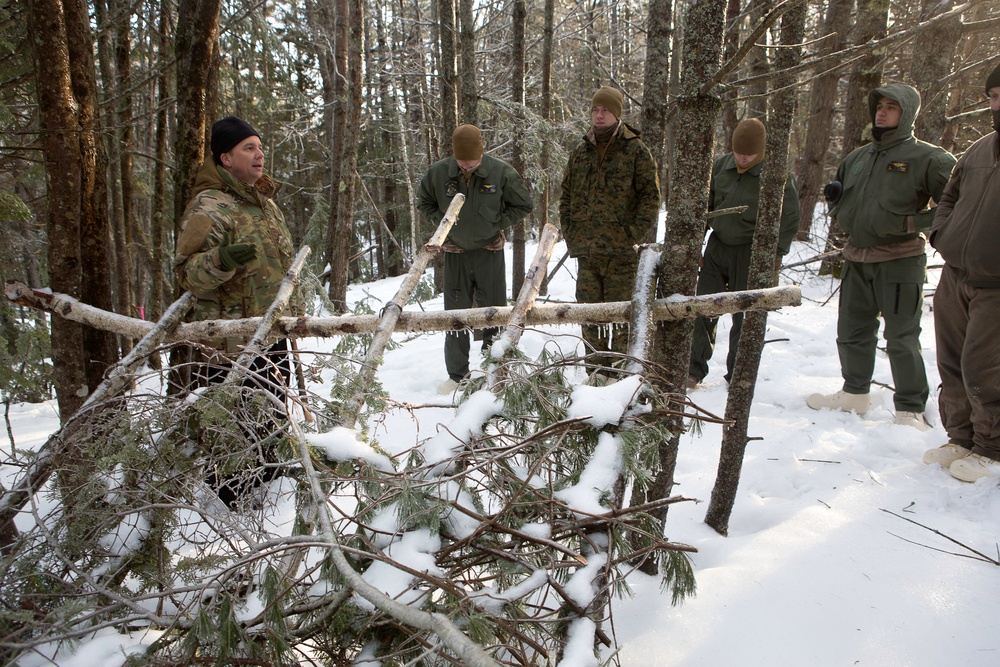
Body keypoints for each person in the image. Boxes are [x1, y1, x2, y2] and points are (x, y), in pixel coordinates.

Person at [807, 84, 956, 430]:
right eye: (879, 106)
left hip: (900, 259)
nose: (882, 112)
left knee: (901, 337)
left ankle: (909, 407)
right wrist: (839, 208)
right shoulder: (858, 157)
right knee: (851, 330)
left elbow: (957, 205)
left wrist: (911, 222)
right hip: (857, 257)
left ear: (907, 114)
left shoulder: (928, 158)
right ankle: (855, 392)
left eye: (892, 107)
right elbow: (839, 192)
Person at [174, 115, 302, 507]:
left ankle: (273, 502)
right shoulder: (209, 205)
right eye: (249, 148)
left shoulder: (265, 203)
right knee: (236, 429)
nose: (259, 154)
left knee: (273, 421)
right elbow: (186, 274)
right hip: (231, 344)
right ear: (225, 158)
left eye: (260, 147)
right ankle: (231, 510)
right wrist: (222, 259)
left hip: (272, 336)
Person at [922, 63, 1000, 481]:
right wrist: (941, 234)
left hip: (996, 285)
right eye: (993, 96)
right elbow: (949, 196)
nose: (997, 104)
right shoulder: (979, 149)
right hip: (956, 275)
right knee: (951, 362)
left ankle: (992, 449)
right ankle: (961, 438)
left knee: (983, 367)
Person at [417, 124, 533, 395]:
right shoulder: (439, 173)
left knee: (494, 311)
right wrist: (444, 223)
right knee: (455, 315)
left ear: (481, 152)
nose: (466, 163)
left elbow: (523, 205)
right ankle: (457, 375)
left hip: (489, 252)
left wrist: (496, 224)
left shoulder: (501, 172)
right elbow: (424, 203)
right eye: (461, 159)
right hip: (455, 253)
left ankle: (495, 367)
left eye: (471, 159)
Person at [558, 86, 660, 384]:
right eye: (594, 110)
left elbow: (650, 198)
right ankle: (597, 373)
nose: (599, 114)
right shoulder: (580, 152)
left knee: (621, 317)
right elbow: (565, 196)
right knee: (590, 317)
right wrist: (571, 233)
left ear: (617, 113)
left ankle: (622, 373)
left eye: (605, 110)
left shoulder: (635, 150)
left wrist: (630, 234)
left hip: (621, 254)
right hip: (587, 252)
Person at [688, 118, 800, 389]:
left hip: (750, 252)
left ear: (761, 151)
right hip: (717, 248)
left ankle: (738, 374)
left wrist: (774, 258)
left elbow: (789, 219)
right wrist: (695, 245)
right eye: (738, 152)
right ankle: (692, 371)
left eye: (749, 154)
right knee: (703, 307)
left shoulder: (775, 175)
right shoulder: (721, 166)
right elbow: (706, 205)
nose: (742, 157)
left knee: (744, 315)